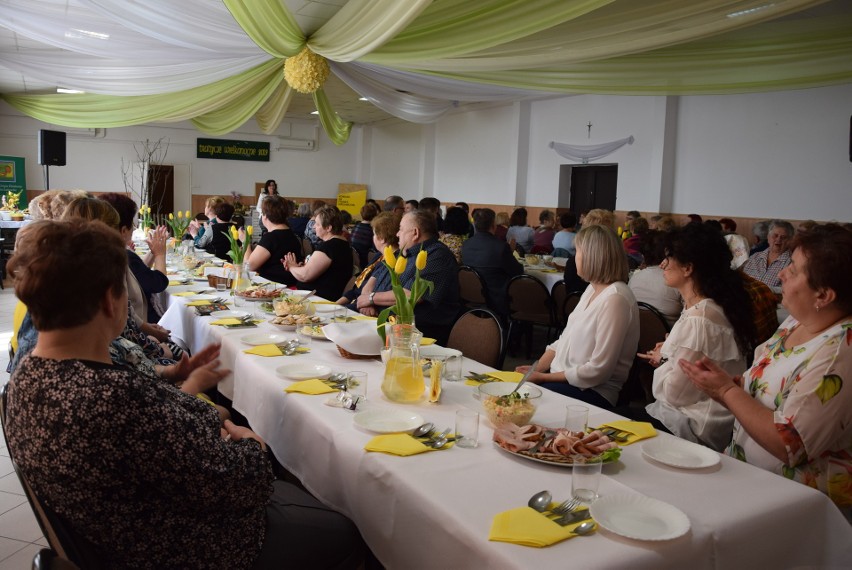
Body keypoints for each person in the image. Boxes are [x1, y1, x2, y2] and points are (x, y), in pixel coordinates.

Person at [5, 219, 364, 569]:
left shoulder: (25, 380)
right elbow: (243, 484)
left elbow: (164, 443)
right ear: (108, 302)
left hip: (122, 533)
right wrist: (252, 443)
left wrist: (210, 417)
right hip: (191, 547)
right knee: (348, 532)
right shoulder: (110, 397)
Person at [680, 223, 852, 520]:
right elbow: (767, 390)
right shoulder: (796, 320)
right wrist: (729, 385)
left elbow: (789, 445)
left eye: (794, 270)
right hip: (749, 479)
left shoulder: (841, 350)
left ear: (823, 296)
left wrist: (726, 391)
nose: (783, 273)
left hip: (796, 509)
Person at [639, 224, 755, 450]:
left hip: (691, 427)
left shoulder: (700, 319)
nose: (662, 264)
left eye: (668, 258)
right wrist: (670, 355)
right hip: (689, 418)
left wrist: (664, 359)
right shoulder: (704, 307)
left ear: (688, 268)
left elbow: (673, 395)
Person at [516, 225, 639, 409]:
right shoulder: (592, 288)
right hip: (563, 381)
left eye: (578, 252)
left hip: (593, 393)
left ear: (592, 257)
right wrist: (536, 369)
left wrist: (543, 377)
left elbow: (598, 371)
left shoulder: (616, 299)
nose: (574, 259)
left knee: (524, 406)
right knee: (512, 396)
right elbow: (563, 340)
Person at [361, 210, 460, 345]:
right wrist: (370, 303)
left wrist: (371, 298)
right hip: (390, 327)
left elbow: (411, 295)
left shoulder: (437, 256)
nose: (397, 234)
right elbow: (381, 285)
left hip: (417, 336)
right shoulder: (407, 253)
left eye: (401, 229)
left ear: (415, 233)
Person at [100, 192, 170, 324]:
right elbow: (158, 283)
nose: (134, 227)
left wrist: (154, 252)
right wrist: (160, 254)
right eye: (133, 222)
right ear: (123, 230)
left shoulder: (107, 250)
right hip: (143, 325)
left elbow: (138, 274)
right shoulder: (121, 255)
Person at [461, 208, 523, 315]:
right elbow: (517, 272)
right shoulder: (501, 247)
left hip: (470, 294)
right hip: (497, 297)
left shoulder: (465, 245)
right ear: (493, 225)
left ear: (475, 225)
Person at [284, 206, 353, 300]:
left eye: (317, 224)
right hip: (317, 296)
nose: (313, 226)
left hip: (317, 299)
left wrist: (291, 266)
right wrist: (299, 268)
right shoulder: (342, 244)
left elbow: (305, 276)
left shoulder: (330, 247)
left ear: (328, 227)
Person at [345, 212, 401, 312]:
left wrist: (368, 302)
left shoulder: (394, 261)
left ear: (382, 239)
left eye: (374, 234)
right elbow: (360, 288)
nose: (373, 237)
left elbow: (380, 291)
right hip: (356, 303)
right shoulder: (379, 256)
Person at [241, 195, 301, 285]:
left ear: (265, 216)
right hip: (288, 284)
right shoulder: (292, 235)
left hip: (273, 288)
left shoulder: (271, 238)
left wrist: (245, 242)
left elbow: (248, 267)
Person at [627, 230, 681, 327]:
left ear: (642, 255)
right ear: (668, 253)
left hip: (639, 338)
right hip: (670, 338)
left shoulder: (634, 278)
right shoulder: (676, 280)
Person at [742, 219, 794, 288]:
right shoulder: (754, 257)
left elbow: (788, 290)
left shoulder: (791, 263)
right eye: (775, 235)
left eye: (783, 237)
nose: (778, 239)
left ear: (789, 241)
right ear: (768, 237)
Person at [350, 202, 378, 269]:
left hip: (354, 262)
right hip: (366, 263)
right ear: (375, 215)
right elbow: (375, 250)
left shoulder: (355, 227)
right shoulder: (373, 230)